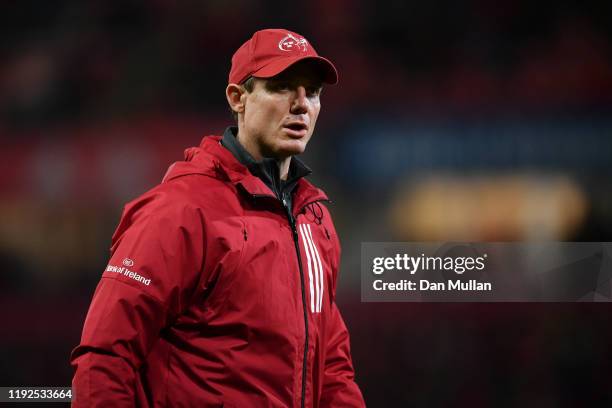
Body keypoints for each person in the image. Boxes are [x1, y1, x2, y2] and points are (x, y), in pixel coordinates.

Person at [70, 28, 365, 407]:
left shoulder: (316, 220)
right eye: (281, 88)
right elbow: (105, 357)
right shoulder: (181, 210)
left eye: (314, 92)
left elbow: (332, 368)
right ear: (237, 98)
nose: (301, 104)